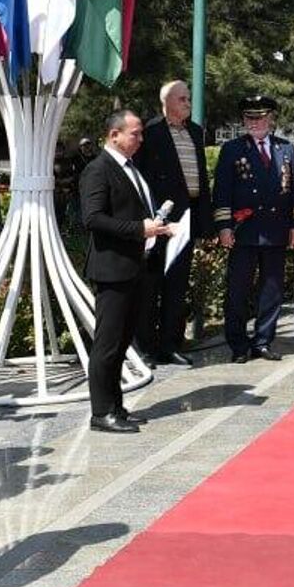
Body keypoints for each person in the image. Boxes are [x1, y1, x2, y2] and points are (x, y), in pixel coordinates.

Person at [78, 110, 171, 434]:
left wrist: (156, 228)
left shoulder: (131, 169)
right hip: (112, 268)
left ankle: (116, 406)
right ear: (114, 135)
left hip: (134, 267)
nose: (140, 139)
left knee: (121, 343)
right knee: (107, 343)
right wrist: (138, 229)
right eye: (135, 133)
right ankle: (101, 411)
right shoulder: (98, 170)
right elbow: (92, 218)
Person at [211, 94, 294, 362]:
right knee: (238, 290)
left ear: (271, 119)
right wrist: (224, 227)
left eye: (260, 117)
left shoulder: (285, 148)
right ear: (243, 120)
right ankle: (239, 345)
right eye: (250, 118)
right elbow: (222, 192)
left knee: (272, 291)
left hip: (276, 230)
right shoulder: (233, 149)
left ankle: (263, 340)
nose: (255, 122)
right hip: (245, 231)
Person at [138, 79, 210, 365]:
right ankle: (145, 347)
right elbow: (141, 177)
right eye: (182, 99)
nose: (188, 103)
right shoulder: (151, 131)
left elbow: (200, 177)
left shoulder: (194, 131)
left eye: (188, 98)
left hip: (187, 216)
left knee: (177, 282)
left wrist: (205, 220)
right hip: (159, 219)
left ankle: (170, 343)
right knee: (150, 284)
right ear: (166, 102)